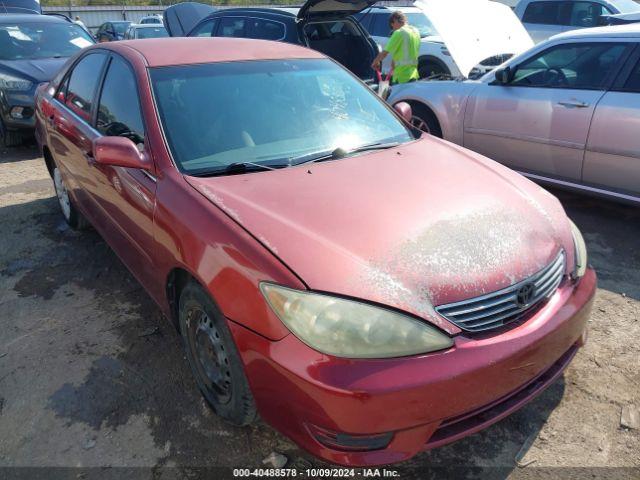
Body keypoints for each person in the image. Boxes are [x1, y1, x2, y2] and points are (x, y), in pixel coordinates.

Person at [371, 11, 420, 84]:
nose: (393, 29)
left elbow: (384, 53)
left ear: (394, 21)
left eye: (392, 27)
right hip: (413, 74)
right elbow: (407, 50)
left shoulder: (399, 33)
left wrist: (375, 62)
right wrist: (394, 60)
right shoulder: (415, 31)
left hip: (401, 76)